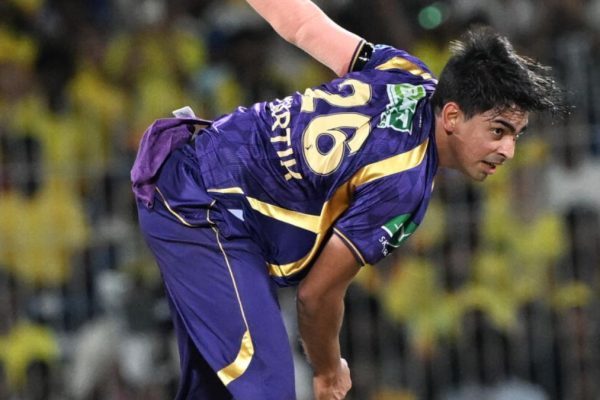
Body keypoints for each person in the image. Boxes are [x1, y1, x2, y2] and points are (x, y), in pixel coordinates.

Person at [131, 0, 565, 398]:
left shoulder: (406, 71)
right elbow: (316, 296)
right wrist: (328, 369)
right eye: (498, 131)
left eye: (516, 135)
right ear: (452, 116)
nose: (508, 150)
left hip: (193, 176)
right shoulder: (404, 184)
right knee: (267, 386)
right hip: (204, 207)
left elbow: (303, 25)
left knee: (217, 389)